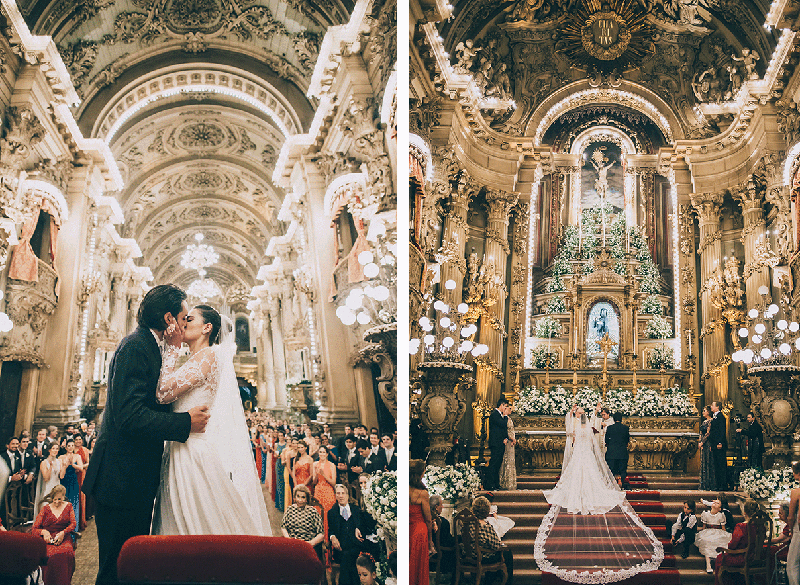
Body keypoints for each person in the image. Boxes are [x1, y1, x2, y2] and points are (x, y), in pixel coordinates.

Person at [83, 285, 210, 585]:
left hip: (132, 480)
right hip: (120, 481)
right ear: (168, 319)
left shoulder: (149, 346)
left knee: (131, 565)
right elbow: (130, 416)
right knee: (116, 568)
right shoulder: (136, 347)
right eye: (182, 317)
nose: (183, 323)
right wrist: (183, 423)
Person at [151, 305, 271, 535]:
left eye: (190, 319)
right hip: (180, 447)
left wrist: (172, 349)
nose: (183, 323)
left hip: (191, 451)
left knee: (197, 524)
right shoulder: (196, 359)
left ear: (207, 328)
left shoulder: (209, 355)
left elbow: (163, 393)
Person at [535, 406, 663, 583]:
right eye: (580, 413)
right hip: (584, 455)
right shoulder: (586, 427)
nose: (579, 415)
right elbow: (588, 436)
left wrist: (574, 414)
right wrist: (581, 414)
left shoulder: (578, 427)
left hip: (580, 455)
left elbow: (571, 432)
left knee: (581, 476)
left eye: (579, 414)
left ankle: (581, 495)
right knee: (586, 476)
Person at [32, 485, 76, 585]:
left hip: (64, 537)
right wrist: (44, 532)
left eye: (59, 499)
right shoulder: (45, 509)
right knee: (49, 555)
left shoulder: (68, 506)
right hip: (48, 539)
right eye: (54, 499)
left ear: (64, 497)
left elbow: (73, 523)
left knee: (67, 553)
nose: (56, 502)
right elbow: (34, 528)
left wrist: (63, 533)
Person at [714, 499, 764, 585]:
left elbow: (732, 545)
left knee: (720, 558)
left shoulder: (741, 527)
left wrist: (726, 548)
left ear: (744, 512)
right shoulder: (760, 526)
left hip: (743, 558)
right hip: (756, 556)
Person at [471, 496, 514, 585]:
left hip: (470, 554)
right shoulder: (486, 527)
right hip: (483, 557)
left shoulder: (468, 524)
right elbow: (495, 546)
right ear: (487, 511)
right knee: (507, 553)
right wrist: (502, 545)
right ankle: (508, 582)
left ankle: (491, 578)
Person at [328, 484, 364, 585]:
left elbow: (362, 525)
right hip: (341, 548)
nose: (341, 496)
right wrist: (333, 537)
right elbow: (330, 530)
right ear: (335, 496)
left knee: (348, 556)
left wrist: (358, 528)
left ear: (347, 495)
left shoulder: (356, 509)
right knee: (346, 556)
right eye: (338, 493)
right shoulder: (332, 512)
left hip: (355, 546)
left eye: (343, 493)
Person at [281, 485, 324, 561]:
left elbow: (321, 534)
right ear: (295, 498)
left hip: (308, 545)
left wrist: (310, 543)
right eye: (298, 496)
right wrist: (289, 539)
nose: (300, 500)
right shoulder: (290, 509)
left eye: (303, 497)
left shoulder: (313, 512)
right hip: (292, 544)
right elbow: (283, 527)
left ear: (307, 499)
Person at [314, 444, 337, 567]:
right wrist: (316, 474)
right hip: (318, 492)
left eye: (324, 452)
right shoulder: (315, 464)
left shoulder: (332, 465)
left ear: (327, 454)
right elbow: (314, 481)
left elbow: (334, 482)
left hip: (328, 492)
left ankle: (330, 553)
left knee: (328, 520)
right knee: (319, 520)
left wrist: (324, 473)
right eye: (320, 452)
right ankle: (319, 552)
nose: (322, 454)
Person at [409, 460, 432, 585]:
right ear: (421, 474)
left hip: (407, 529)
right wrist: (430, 540)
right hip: (419, 531)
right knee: (419, 566)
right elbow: (428, 519)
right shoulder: (422, 493)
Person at [695, 498, 729, 573]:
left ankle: (719, 564)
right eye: (714, 502)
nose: (714, 503)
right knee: (706, 541)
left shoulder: (721, 515)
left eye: (717, 503)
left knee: (719, 541)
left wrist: (726, 536)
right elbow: (704, 527)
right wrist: (703, 533)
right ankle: (708, 564)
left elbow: (723, 528)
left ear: (720, 509)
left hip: (718, 531)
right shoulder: (706, 514)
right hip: (708, 531)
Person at [59, 438, 82, 533]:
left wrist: (73, 465)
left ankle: (74, 528)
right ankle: (63, 527)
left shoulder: (77, 456)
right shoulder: (61, 457)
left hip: (73, 481)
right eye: (69, 446)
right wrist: (64, 465)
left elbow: (81, 468)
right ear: (66, 447)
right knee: (63, 503)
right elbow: (60, 472)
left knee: (73, 504)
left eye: (72, 446)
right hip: (64, 481)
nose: (71, 447)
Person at [487, 398, 510, 491]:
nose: (506, 408)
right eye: (505, 406)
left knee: (498, 464)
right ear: (501, 405)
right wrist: (505, 416)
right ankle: (489, 484)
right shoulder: (494, 415)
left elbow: (502, 430)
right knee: (494, 464)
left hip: (500, 443)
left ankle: (496, 484)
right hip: (496, 443)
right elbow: (502, 424)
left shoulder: (499, 415)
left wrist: (506, 438)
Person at [430, 495, 455, 574]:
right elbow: (448, 542)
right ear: (436, 507)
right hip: (442, 559)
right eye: (441, 504)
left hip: (428, 557)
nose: (443, 506)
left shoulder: (425, 520)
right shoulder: (443, 522)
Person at [604, 412, 630, 487]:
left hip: (611, 453)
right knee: (622, 469)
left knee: (611, 469)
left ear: (614, 419)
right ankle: (621, 481)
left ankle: (612, 484)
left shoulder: (610, 428)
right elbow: (627, 440)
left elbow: (606, 440)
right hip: (622, 452)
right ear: (621, 419)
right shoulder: (625, 428)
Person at [35, 443, 62, 515]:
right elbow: (46, 478)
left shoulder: (59, 461)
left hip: (57, 488)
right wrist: (50, 467)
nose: (55, 450)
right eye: (53, 448)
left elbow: (61, 476)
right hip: (48, 488)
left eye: (57, 449)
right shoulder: (44, 462)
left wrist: (64, 466)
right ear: (49, 450)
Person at [787, 461, 800, 585]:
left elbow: (791, 517)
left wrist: (790, 531)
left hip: (798, 530)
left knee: (792, 565)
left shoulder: (796, 492)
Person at [709, 401, 728, 490]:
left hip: (719, 445)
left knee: (721, 465)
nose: (711, 406)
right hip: (714, 444)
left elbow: (722, 431)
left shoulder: (721, 417)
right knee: (716, 465)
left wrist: (720, 442)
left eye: (712, 405)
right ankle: (718, 484)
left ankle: (723, 485)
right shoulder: (715, 417)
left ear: (717, 407)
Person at [499, 405, 517, 490]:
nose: (511, 409)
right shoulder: (504, 419)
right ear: (505, 409)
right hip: (508, 442)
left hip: (511, 442)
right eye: (509, 408)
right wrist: (511, 438)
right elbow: (505, 430)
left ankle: (511, 482)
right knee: (507, 461)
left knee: (511, 461)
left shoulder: (509, 418)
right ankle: (505, 482)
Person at [699, 406, 716, 490]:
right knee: (704, 462)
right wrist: (700, 442)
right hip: (703, 444)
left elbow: (708, 433)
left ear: (708, 412)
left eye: (704, 411)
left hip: (708, 443)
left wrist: (702, 442)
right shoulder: (703, 422)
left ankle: (709, 483)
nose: (703, 412)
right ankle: (703, 483)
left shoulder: (711, 421)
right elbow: (701, 432)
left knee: (708, 461)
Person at [275, 430, 287, 512]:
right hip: (279, 464)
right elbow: (275, 455)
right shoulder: (276, 444)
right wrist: (278, 455)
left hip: (285, 465)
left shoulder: (286, 445)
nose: (280, 437)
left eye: (281, 435)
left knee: (285, 483)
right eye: (279, 435)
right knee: (279, 483)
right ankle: (280, 504)